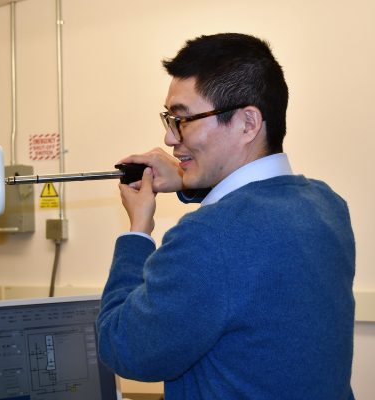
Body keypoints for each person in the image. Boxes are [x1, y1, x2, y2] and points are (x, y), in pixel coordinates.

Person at [96, 33, 355, 399]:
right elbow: (254, 221)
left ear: (248, 123)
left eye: (183, 120)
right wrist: (188, 180)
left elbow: (123, 348)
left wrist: (137, 233)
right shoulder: (327, 206)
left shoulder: (207, 237)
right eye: (169, 120)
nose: (170, 139)